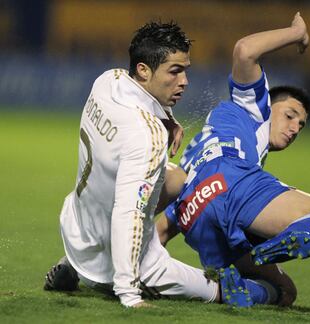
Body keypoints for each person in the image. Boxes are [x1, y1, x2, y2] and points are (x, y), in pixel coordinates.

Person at [156, 13, 310, 307]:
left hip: (194, 214)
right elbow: (245, 50)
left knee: (285, 291)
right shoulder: (253, 108)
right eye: (290, 116)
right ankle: (303, 233)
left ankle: (241, 288)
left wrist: (134, 275)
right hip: (234, 185)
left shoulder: (202, 149)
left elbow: (161, 231)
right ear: (268, 105)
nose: (295, 128)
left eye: (301, 126)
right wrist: (296, 32)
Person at [43, 21, 221, 308]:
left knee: (175, 178)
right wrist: (128, 291)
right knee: (219, 290)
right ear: (143, 69)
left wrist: (169, 120)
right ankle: (270, 292)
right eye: (175, 71)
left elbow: (142, 101)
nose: (184, 80)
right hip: (109, 266)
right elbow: (130, 214)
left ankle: (73, 265)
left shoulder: (108, 80)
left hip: (77, 227)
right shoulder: (145, 137)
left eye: (185, 70)